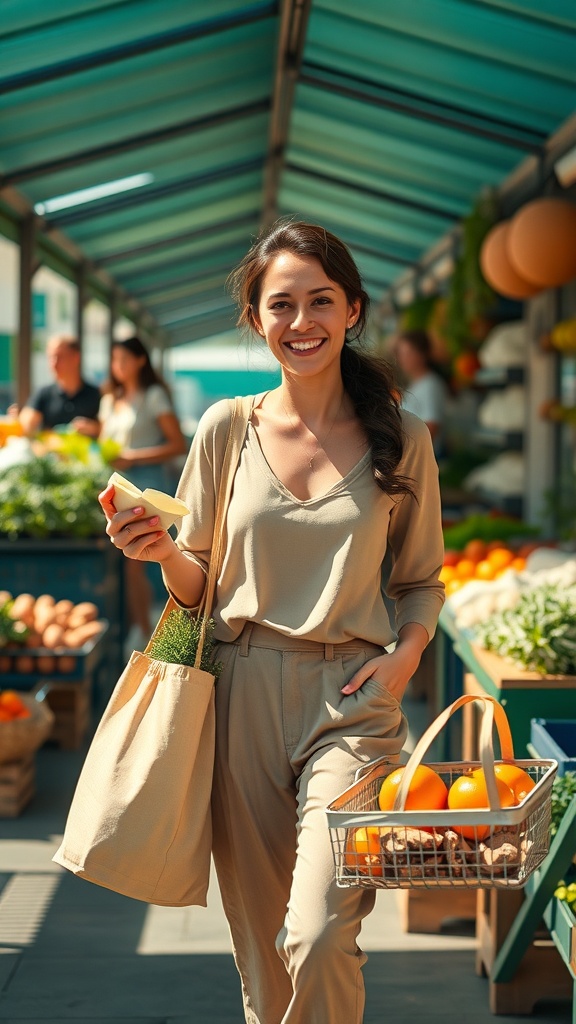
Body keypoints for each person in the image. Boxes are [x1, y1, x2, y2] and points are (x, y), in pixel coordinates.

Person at [99, 221, 445, 1024]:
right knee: (265, 959)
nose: (302, 322)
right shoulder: (227, 429)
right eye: (280, 304)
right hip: (240, 690)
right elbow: (198, 584)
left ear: (352, 309)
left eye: (320, 301)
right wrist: (155, 552)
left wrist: (404, 658)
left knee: (320, 934)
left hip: (354, 703)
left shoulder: (403, 438)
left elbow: (423, 580)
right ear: (256, 319)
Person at [99, 335, 187, 639]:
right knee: (132, 563)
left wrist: (132, 458)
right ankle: (144, 630)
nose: (118, 366)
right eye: (114, 360)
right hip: (115, 491)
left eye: (124, 359)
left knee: (141, 561)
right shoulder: (110, 399)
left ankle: (150, 632)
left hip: (147, 491)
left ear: (140, 361)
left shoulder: (153, 397)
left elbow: (178, 444)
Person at [19, 334, 101, 436]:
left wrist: (94, 428)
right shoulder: (44, 394)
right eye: (51, 357)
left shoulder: (95, 394)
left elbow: (107, 429)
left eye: (59, 357)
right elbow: (25, 425)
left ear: (76, 358)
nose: (54, 363)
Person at [394, 329, 449, 454]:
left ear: (421, 354)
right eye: (401, 353)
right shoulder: (415, 385)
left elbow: (432, 426)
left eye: (407, 353)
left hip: (426, 458)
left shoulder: (431, 384)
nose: (402, 359)